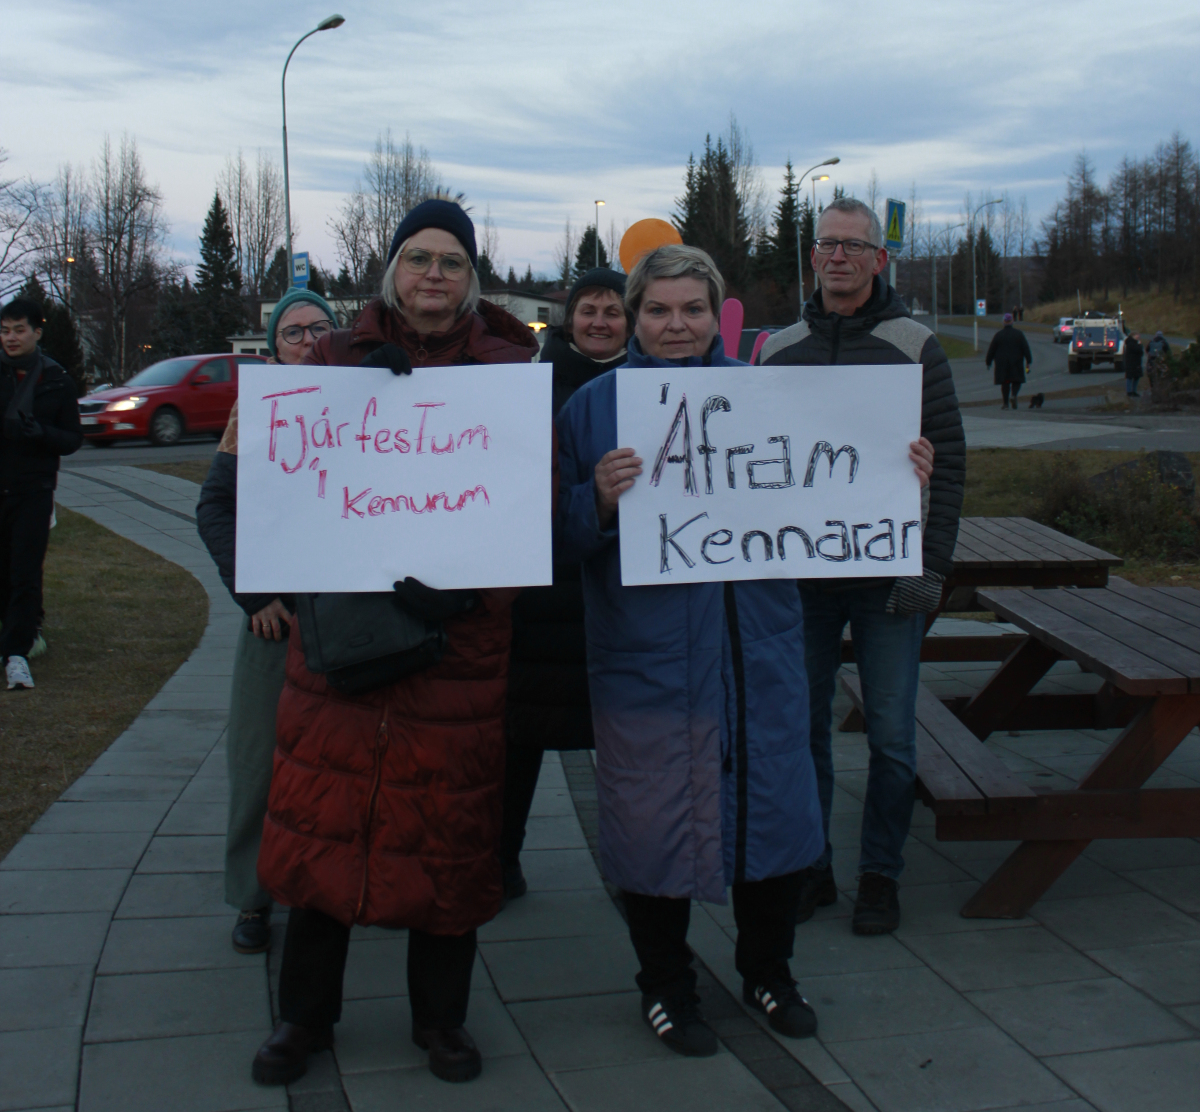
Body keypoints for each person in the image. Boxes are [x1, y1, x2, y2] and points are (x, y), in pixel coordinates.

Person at [250, 199, 539, 1088]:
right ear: (392, 270)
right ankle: (303, 1019)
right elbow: (272, 491)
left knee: (446, 839)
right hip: (342, 652)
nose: (435, 276)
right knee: (323, 832)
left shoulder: (509, 372)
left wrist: (473, 587)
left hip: (458, 653)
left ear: (472, 278)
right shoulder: (330, 362)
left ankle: (441, 1022)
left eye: (452, 261)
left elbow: (524, 512)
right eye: (419, 258)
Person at [557, 243, 825, 1058]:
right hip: (650, 661)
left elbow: (830, 493)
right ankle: (666, 984)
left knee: (771, 817)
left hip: (757, 650)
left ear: (719, 314)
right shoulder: (594, 408)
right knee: (653, 824)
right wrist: (596, 499)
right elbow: (550, 535)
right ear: (635, 318)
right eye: (659, 310)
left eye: (693, 309)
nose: (678, 326)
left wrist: (897, 475)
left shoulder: (771, 397)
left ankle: (769, 969)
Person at [759, 197, 963, 936]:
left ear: (881, 259)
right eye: (827, 244)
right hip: (801, 584)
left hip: (887, 576)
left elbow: (952, 461)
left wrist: (929, 567)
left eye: (854, 245)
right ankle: (813, 867)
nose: (839, 256)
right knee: (801, 725)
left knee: (892, 734)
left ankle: (881, 873)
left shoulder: (916, 346)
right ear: (812, 257)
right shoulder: (777, 351)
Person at [196, 287, 341, 956]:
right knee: (257, 760)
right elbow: (216, 509)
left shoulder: (365, 403)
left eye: (319, 329)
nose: (307, 341)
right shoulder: (250, 414)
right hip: (276, 617)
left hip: (349, 614)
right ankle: (252, 895)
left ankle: (335, 886)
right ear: (273, 346)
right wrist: (254, 597)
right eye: (292, 332)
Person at [501, 267, 631, 901]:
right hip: (545, 592)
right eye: (589, 310)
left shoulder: (653, 386)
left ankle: (636, 862)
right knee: (520, 735)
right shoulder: (531, 388)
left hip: (623, 590)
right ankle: (500, 858)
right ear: (568, 319)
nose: (601, 321)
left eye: (613, 310)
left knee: (623, 737)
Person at [0, 297, 82, 690]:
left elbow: (73, 439)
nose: (10, 338)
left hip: (34, 489)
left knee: (25, 572)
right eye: (4, 330)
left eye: (18, 330)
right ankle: (15, 638)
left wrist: (41, 435)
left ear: (37, 332)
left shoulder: (56, 379)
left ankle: (17, 653)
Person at [985, 312, 1033, 409]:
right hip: (1016, 362)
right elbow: (1026, 348)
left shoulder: (998, 335)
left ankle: (1005, 403)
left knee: (1005, 382)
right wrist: (1029, 360)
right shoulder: (1019, 334)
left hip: (1002, 364)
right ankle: (1014, 395)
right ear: (1012, 322)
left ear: (1003, 322)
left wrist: (988, 361)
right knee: (1016, 381)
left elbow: (991, 350)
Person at [1123, 331, 1144, 397]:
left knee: (1136, 377)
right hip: (1131, 363)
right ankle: (1129, 391)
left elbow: (1140, 352)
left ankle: (1133, 391)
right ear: (1133, 336)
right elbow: (1138, 350)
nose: (1138, 336)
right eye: (1137, 335)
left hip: (1136, 362)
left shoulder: (1132, 343)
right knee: (1130, 377)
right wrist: (1140, 345)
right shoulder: (1131, 343)